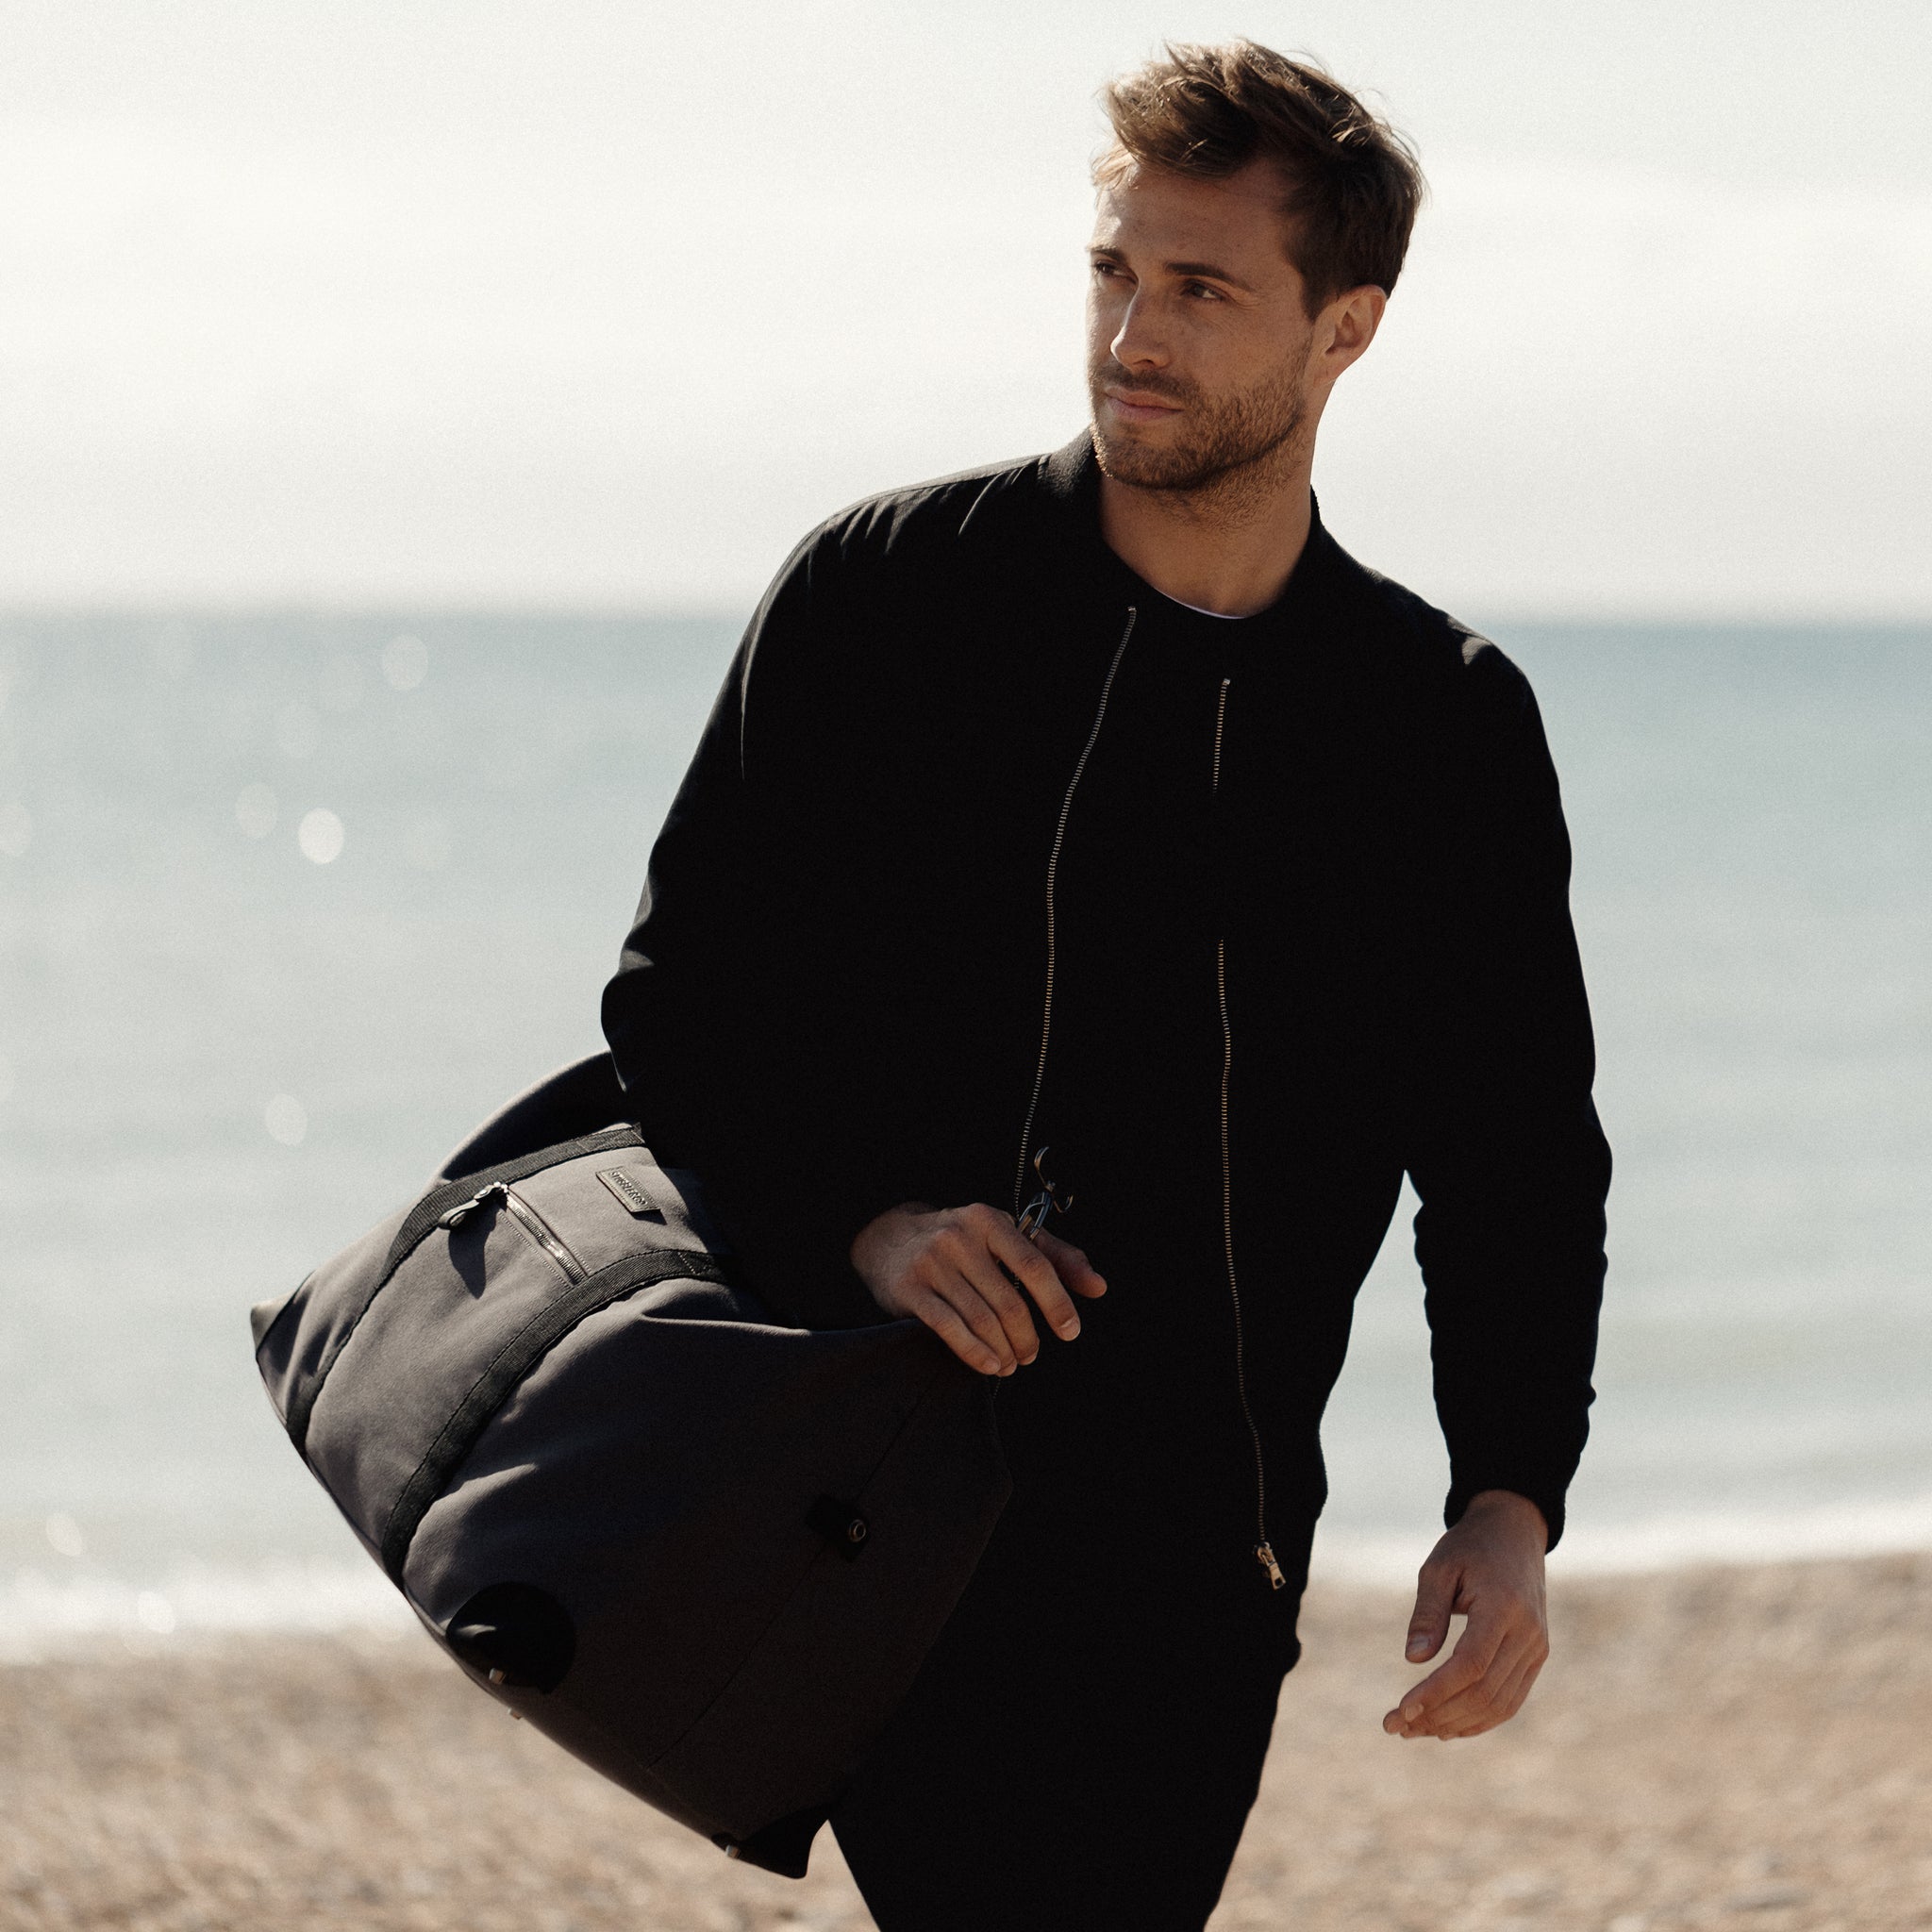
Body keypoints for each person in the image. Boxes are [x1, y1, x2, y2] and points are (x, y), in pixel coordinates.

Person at [603, 38, 1610, 1931]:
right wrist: (873, 1225)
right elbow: (681, 1004)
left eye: (1202, 288)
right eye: (1113, 273)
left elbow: (1512, 1157)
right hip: (883, 1498)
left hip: (1202, 1557)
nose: (1133, 330)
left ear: (1346, 329)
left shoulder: (1438, 726)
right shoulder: (888, 599)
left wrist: (1507, 1493)